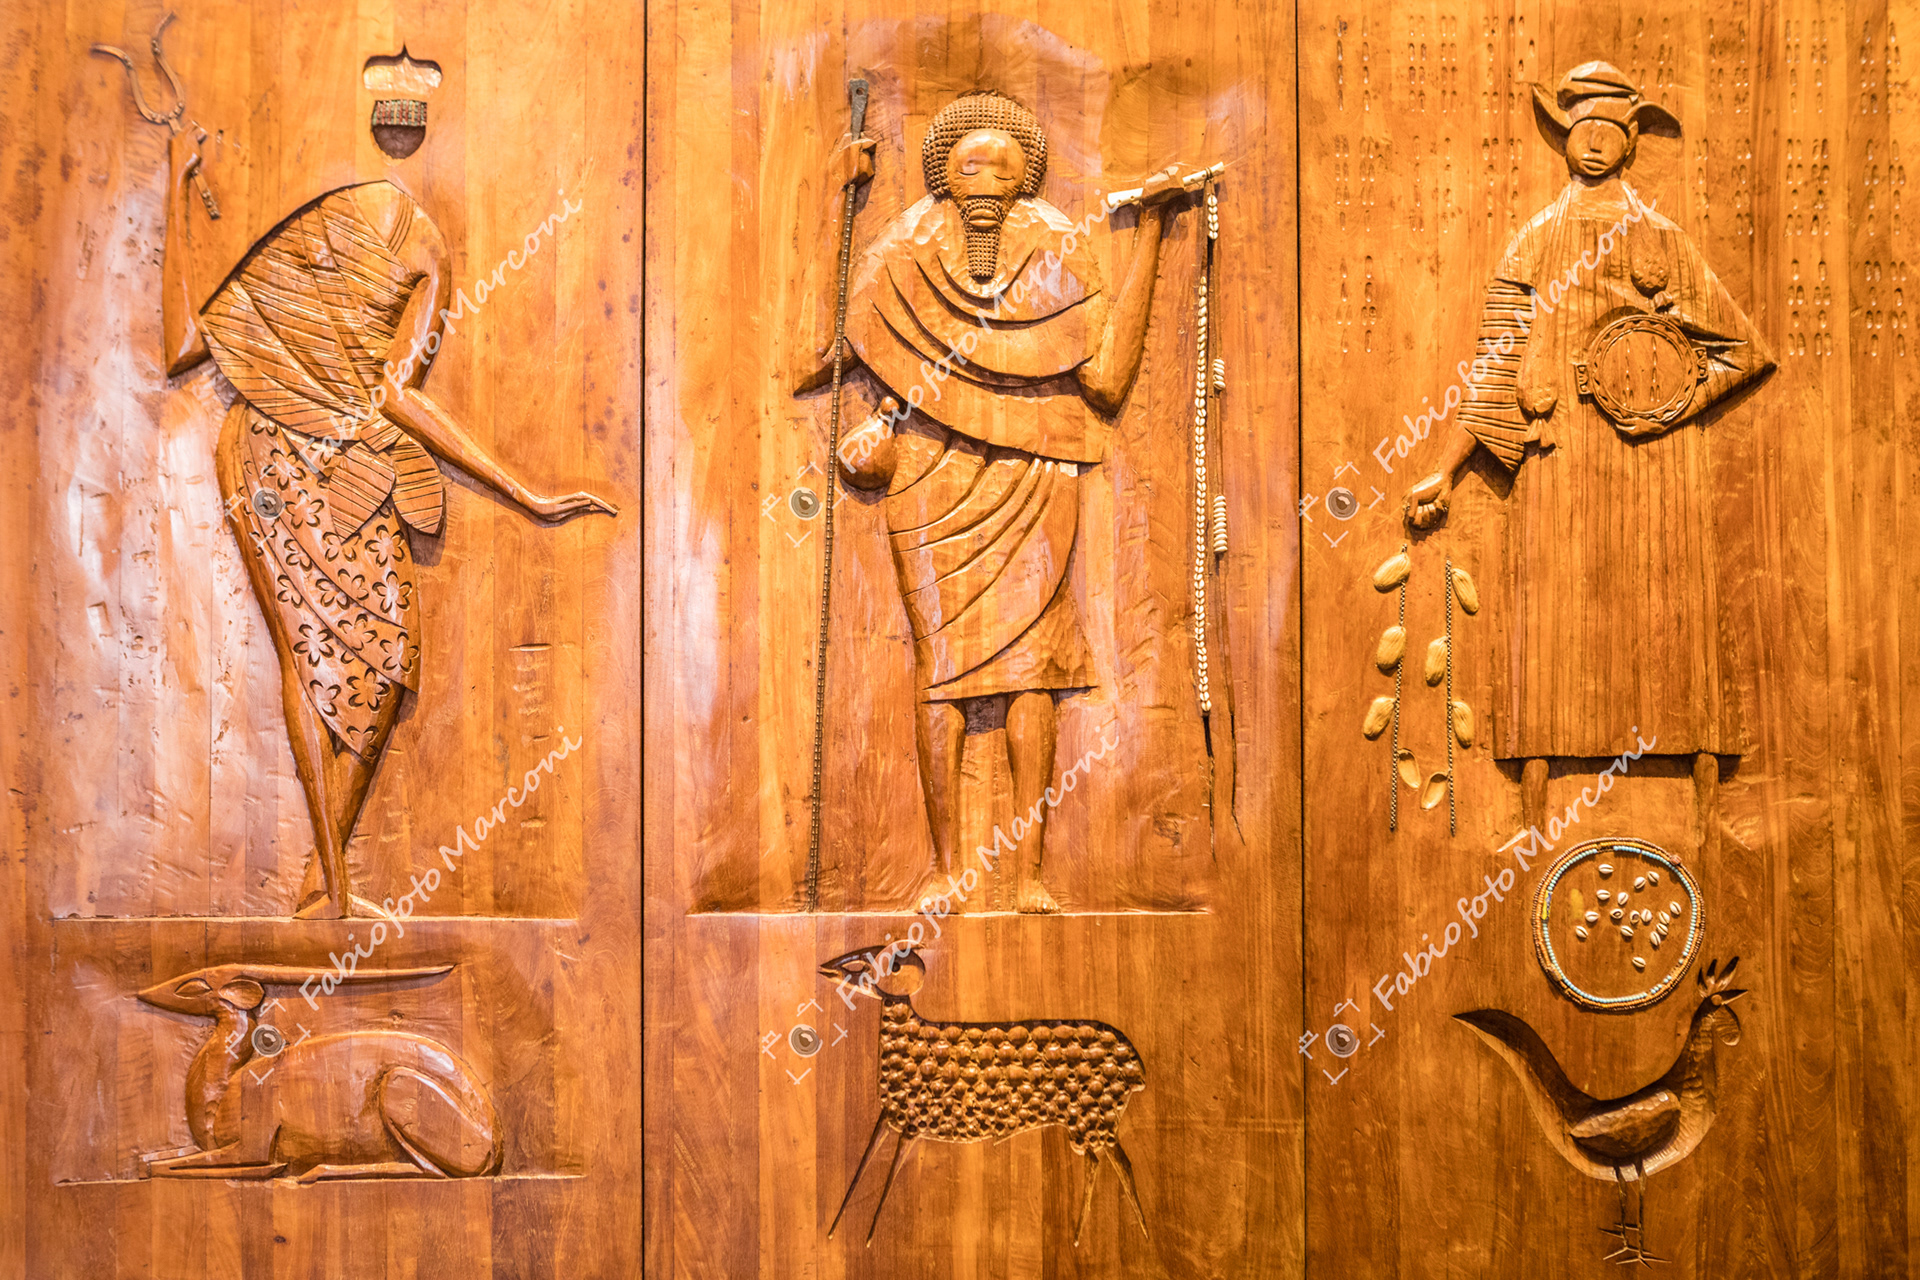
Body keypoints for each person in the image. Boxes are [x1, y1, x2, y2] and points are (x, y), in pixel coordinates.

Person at [158, 102, 614, 917]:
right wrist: (173, 188)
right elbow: (188, 347)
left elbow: (396, 392)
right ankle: (333, 893)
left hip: (354, 453)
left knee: (389, 657)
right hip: (271, 444)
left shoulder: (427, 244)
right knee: (308, 652)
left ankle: (321, 887)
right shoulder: (318, 220)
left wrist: (523, 491)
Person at [791, 90, 1188, 912]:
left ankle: (1029, 873)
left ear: (1025, 180)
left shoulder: (1055, 249)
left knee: (1032, 673)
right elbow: (815, 356)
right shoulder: (902, 253)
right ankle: (944, 869)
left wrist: (1150, 232)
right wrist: (836, 204)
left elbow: (1107, 378)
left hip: (1032, 472)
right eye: (969, 166)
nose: (986, 181)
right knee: (941, 672)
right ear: (943, 175)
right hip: (928, 477)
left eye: (1002, 170)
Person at [1403, 62, 1774, 851]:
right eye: (1582, 132)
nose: (1595, 146)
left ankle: (1705, 817)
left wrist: (1665, 398)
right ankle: (1533, 819)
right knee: (1550, 631)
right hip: (1561, 455)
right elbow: (1496, 366)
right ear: (1566, 140)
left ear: (1631, 141)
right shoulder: (1536, 240)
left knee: (1678, 627)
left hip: (1658, 465)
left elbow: (1742, 350)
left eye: (1610, 131)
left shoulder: (1663, 238)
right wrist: (1447, 466)